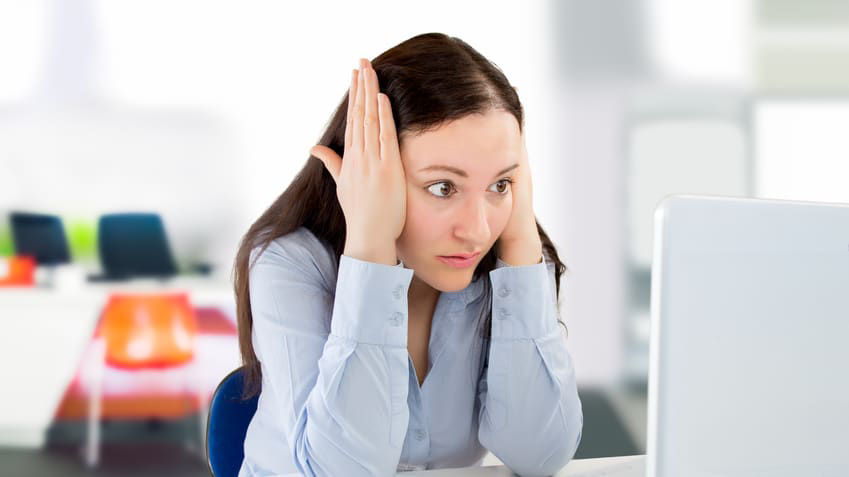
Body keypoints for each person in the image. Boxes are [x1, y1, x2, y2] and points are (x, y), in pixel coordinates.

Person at [233, 32, 583, 477]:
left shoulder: (502, 262)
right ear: (369, 175)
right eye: (443, 188)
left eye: (500, 185)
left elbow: (539, 455)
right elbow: (342, 471)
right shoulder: (288, 264)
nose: (476, 229)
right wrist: (371, 247)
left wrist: (519, 241)